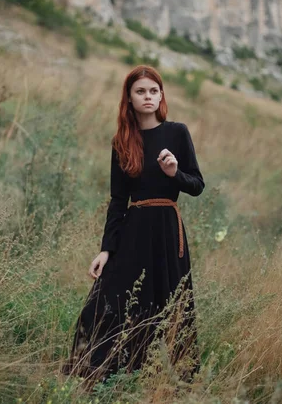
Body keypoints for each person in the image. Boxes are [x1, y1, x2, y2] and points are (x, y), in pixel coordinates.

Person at [61, 65, 205, 385]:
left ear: (161, 95)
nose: (148, 97)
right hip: (133, 230)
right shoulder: (122, 141)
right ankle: (103, 374)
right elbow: (117, 200)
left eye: (154, 91)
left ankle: (176, 381)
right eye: (141, 92)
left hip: (168, 232)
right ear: (129, 98)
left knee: (170, 305)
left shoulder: (177, 133)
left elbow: (196, 185)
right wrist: (106, 249)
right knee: (105, 300)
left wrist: (174, 174)